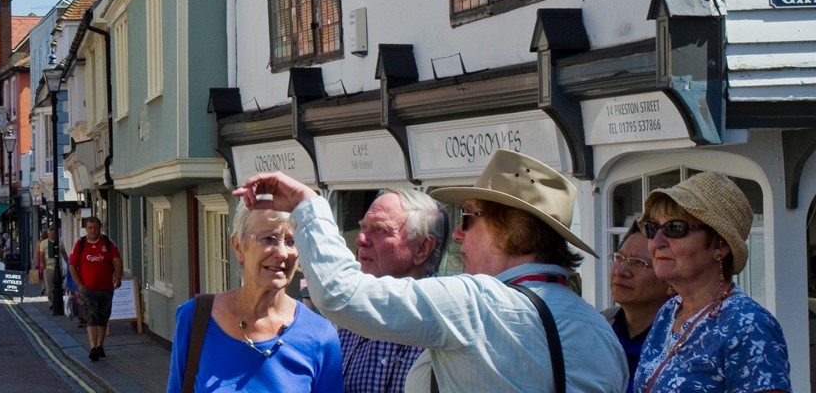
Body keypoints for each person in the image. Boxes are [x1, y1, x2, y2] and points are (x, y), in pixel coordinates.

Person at [235, 149, 626, 391]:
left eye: (470, 218)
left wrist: (307, 203)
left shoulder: (478, 301)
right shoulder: (599, 330)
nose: (457, 233)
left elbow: (341, 293)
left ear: (510, 231)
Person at [633, 172, 790, 392]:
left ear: (720, 245)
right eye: (652, 229)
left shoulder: (748, 325)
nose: (657, 242)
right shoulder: (669, 312)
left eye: (675, 228)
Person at [166, 208, 343, 392]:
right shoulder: (196, 317)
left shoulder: (320, 335)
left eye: (292, 241)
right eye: (268, 239)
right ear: (238, 246)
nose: (282, 253)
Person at [340, 189, 449, 392]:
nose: (360, 239)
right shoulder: (349, 313)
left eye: (379, 229)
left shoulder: (447, 319)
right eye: (362, 228)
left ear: (422, 248)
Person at [604, 220, 673, 393]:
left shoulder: (682, 339)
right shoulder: (600, 325)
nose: (621, 270)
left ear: (669, 279)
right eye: (619, 258)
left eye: (637, 262)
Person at [69, 216, 121, 362]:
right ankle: (92, 348)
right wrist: (79, 285)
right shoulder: (80, 244)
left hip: (106, 287)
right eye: (90, 228)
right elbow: (72, 265)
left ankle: (100, 345)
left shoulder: (108, 243)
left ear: (100, 228)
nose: (93, 230)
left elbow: (116, 260)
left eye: (96, 227)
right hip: (88, 288)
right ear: (86, 229)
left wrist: (118, 275)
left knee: (103, 317)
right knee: (91, 317)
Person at [35, 229, 59, 296]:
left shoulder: (39, 242)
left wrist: (35, 261)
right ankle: (46, 287)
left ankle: (44, 286)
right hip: (45, 262)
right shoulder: (44, 243)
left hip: (42, 261)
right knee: (45, 276)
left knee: (42, 276)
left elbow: (37, 253)